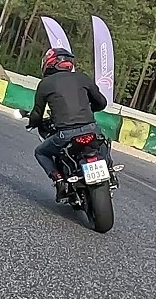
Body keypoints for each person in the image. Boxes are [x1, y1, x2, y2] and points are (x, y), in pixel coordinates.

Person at [27, 46, 115, 198]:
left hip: (65, 134)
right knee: (102, 143)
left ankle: (59, 179)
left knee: (40, 152)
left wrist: (33, 123)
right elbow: (101, 102)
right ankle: (110, 171)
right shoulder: (83, 78)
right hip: (90, 128)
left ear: (49, 63)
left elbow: (37, 113)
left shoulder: (45, 83)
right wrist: (88, 109)